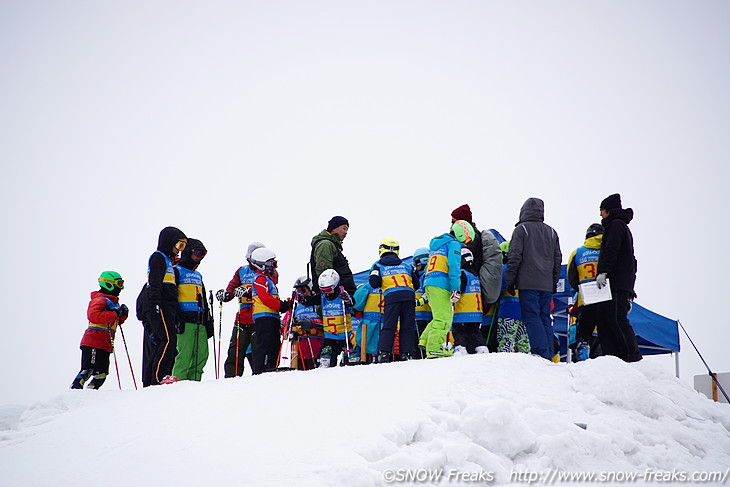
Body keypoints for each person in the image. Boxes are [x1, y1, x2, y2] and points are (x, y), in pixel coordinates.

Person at [504, 198, 562, 360]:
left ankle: (540, 354)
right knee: (544, 318)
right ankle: (549, 353)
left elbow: (514, 257)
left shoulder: (521, 230)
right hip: (546, 284)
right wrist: (553, 281)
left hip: (527, 282)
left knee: (531, 317)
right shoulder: (551, 232)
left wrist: (510, 280)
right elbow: (557, 259)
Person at [595, 193, 642, 363]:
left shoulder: (615, 226)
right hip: (620, 283)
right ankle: (614, 357)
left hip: (616, 283)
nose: (600, 215)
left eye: (602, 210)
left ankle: (631, 354)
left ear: (608, 211)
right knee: (607, 319)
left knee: (616, 318)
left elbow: (611, 250)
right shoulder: (620, 226)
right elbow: (632, 261)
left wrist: (604, 271)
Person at [139, 226, 187, 387]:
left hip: (168, 307)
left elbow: (171, 290)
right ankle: (160, 377)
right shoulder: (158, 258)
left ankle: (152, 379)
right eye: (179, 245)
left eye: (183, 247)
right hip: (160, 306)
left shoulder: (168, 262)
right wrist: (156, 304)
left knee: (164, 341)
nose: (180, 250)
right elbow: (155, 283)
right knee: (167, 340)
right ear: (168, 243)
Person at [419, 220, 475, 358]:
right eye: (467, 239)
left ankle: (425, 341)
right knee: (444, 318)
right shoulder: (453, 244)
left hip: (430, 282)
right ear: (462, 234)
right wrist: (456, 288)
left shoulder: (436, 246)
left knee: (438, 316)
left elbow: (428, 269)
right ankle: (433, 348)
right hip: (442, 283)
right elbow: (454, 267)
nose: (466, 243)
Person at [71, 272, 129, 389]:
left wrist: (122, 314)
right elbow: (94, 316)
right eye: (119, 283)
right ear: (109, 284)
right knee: (88, 369)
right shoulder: (100, 300)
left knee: (101, 374)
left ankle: (90, 393)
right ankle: (75, 390)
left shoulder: (113, 303)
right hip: (94, 341)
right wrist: (114, 313)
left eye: (122, 283)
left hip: (105, 344)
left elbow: (115, 322)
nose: (121, 288)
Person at [217, 242, 265, 377]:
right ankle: (230, 380)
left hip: (259, 316)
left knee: (258, 352)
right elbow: (232, 287)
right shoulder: (242, 271)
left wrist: (248, 291)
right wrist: (226, 295)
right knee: (235, 352)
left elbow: (268, 287)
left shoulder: (267, 270)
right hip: (242, 317)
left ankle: (261, 380)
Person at [368, 238, 417, 363]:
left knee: (389, 325)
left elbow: (373, 283)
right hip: (409, 296)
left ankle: (384, 353)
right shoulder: (406, 265)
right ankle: (406, 353)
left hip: (392, 296)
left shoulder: (378, 265)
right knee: (407, 326)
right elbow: (416, 283)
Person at [171, 239, 213, 381]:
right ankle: (178, 383)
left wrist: (209, 321)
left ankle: (194, 384)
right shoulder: (176, 271)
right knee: (185, 354)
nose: (200, 257)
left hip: (200, 320)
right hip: (185, 321)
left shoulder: (198, 275)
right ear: (188, 252)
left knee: (202, 355)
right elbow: (171, 297)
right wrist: (176, 317)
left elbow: (204, 299)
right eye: (198, 253)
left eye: (203, 254)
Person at [450, 204, 503, 310]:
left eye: (453, 221)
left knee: (464, 320)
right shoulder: (475, 235)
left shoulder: (469, 237)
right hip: (474, 282)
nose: (451, 224)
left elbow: (465, 260)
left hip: (469, 283)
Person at [250, 247, 293, 374]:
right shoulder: (260, 278)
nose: (274, 267)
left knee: (274, 343)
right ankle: (261, 369)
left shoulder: (268, 279)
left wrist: (284, 304)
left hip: (272, 316)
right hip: (264, 316)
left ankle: (271, 365)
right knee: (265, 343)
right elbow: (265, 298)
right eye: (272, 264)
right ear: (263, 264)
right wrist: (282, 305)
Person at [567, 224, 604, 361]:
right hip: (606, 298)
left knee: (583, 335)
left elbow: (571, 277)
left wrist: (580, 289)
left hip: (585, 298)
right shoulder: (608, 251)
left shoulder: (577, 252)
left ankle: (582, 359)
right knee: (605, 335)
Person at [452, 248, 489, 355]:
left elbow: (459, 290)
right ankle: (482, 348)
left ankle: (460, 349)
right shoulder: (475, 275)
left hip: (462, 312)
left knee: (459, 332)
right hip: (476, 312)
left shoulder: (462, 274)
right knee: (475, 333)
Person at [495, 241, 530, 353]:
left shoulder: (504, 270)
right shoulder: (525, 270)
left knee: (506, 342)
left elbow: (496, 290)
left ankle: (506, 368)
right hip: (525, 311)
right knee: (524, 344)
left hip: (508, 311)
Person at [310, 216, 356, 295]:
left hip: (341, 296)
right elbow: (325, 274)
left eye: (347, 230)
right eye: (344, 228)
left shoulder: (333, 245)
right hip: (334, 300)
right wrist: (331, 294)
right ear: (334, 228)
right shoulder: (325, 244)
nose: (346, 232)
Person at [289, 276, 324, 371]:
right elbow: (286, 326)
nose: (301, 294)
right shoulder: (295, 306)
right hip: (299, 352)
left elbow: (328, 324)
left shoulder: (319, 304)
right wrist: (289, 327)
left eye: (303, 290)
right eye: (298, 292)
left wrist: (312, 323)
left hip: (317, 349)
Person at [412, 247, 432, 359]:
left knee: (423, 343)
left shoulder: (427, 275)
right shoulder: (415, 275)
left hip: (426, 314)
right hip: (416, 316)